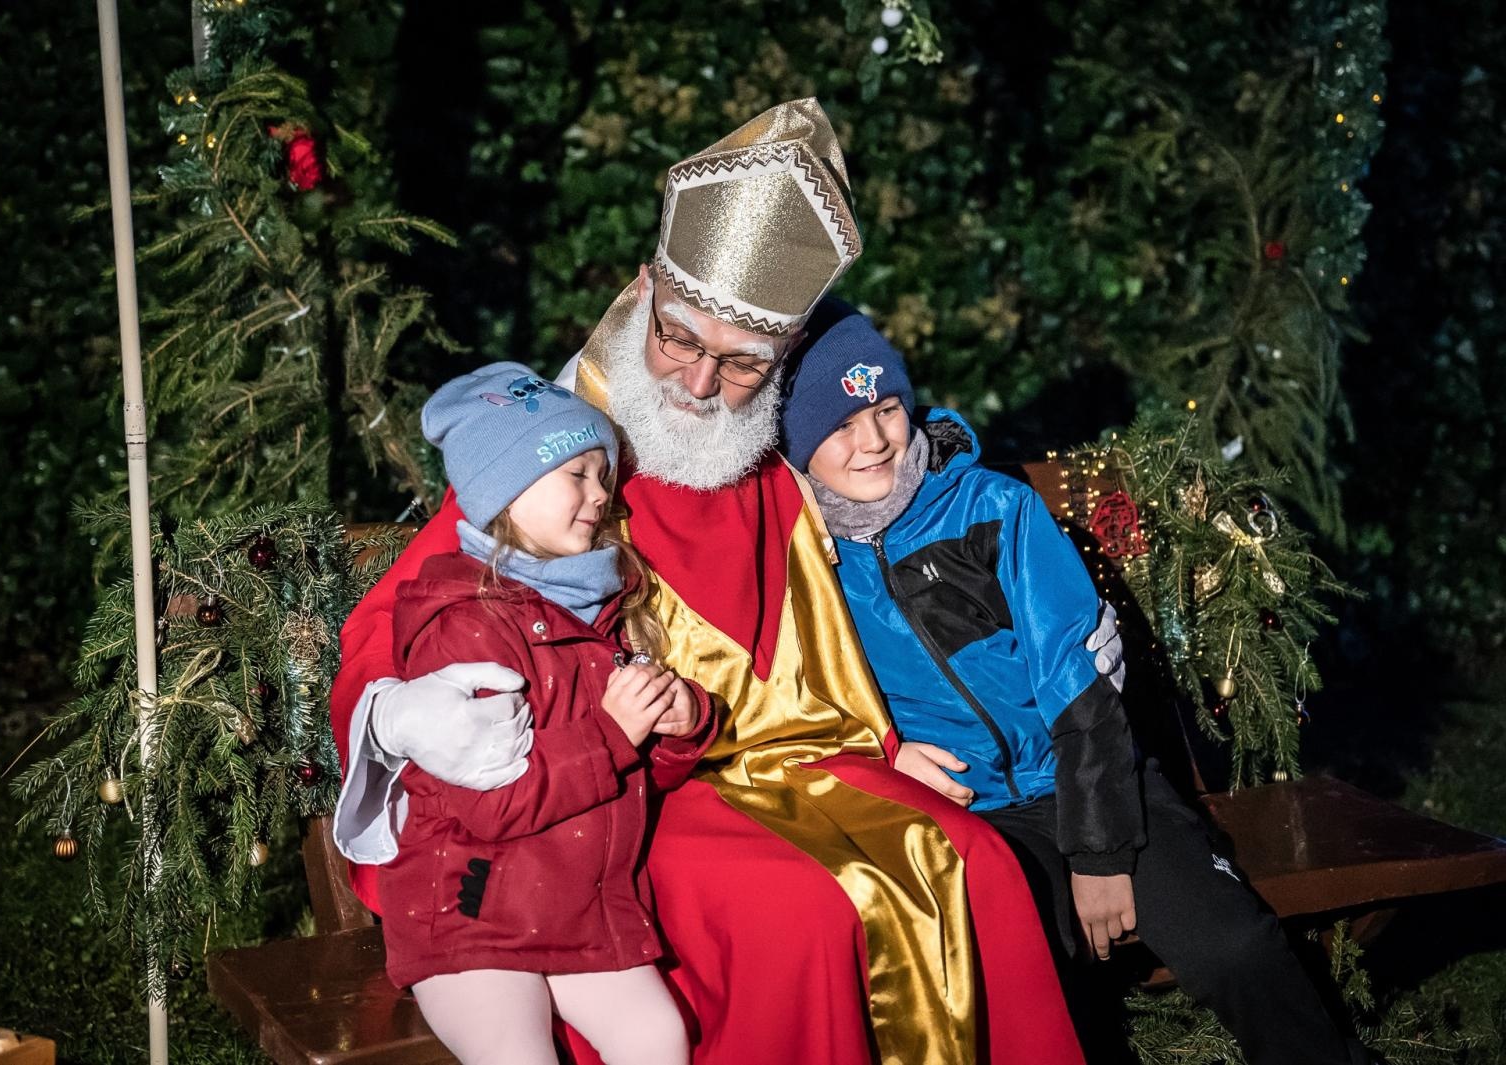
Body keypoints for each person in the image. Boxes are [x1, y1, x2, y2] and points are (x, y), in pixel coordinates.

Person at [333, 99, 1106, 1065]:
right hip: (626, 791)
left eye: (742, 364)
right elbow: (402, 609)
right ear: (649, 287)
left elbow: (879, 584)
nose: (699, 385)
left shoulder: (782, 453)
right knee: (800, 917)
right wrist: (401, 714)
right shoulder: (558, 441)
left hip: (804, 761)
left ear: (783, 357)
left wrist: (889, 738)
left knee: (977, 862)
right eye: (678, 339)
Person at [775, 304, 1376, 1065]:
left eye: (888, 409)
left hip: (1091, 776)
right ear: (798, 445)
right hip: (976, 818)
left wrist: (1099, 854)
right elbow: (804, 700)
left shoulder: (993, 509)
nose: (874, 441)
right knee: (1025, 976)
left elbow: (1082, 686)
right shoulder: (808, 562)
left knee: (1232, 944)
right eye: (841, 425)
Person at [342, 362, 717, 1065]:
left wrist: (679, 721)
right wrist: (612, 733)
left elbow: (633, 770)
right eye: (576, 473)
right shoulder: (464, 626)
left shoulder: (595, 601)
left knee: (658, 1037)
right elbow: (491, 803)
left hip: (578, 905)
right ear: (506, 491)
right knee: (517, 1053)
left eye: (603, 475)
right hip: (472, 912)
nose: (600, 495)